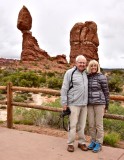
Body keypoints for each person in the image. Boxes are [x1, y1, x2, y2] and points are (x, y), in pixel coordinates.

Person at [61, 55, 88, 152]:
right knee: (72, 125)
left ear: (86, 64)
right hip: (73, 104)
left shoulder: (86, 73)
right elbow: (64, 88)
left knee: (82, 125)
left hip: (84, 104)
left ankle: (81, 142)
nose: (82, 64)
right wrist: (64, 103)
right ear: (76, 63)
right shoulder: (70, 73)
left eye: (84, 63)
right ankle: (70, 143)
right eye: (80, 62)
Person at [87, 60, 109, 153]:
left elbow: (106, 92)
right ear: (89, 67)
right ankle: (93, 141)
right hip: (89, 104)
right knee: (91, 124)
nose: (93, 68)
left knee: (99, 125)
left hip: (100, 103)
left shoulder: (102, 77)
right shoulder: (87, 77)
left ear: (97, 67)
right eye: (91, 66)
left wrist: (106, 106)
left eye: (95, 66)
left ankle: (99, 143)